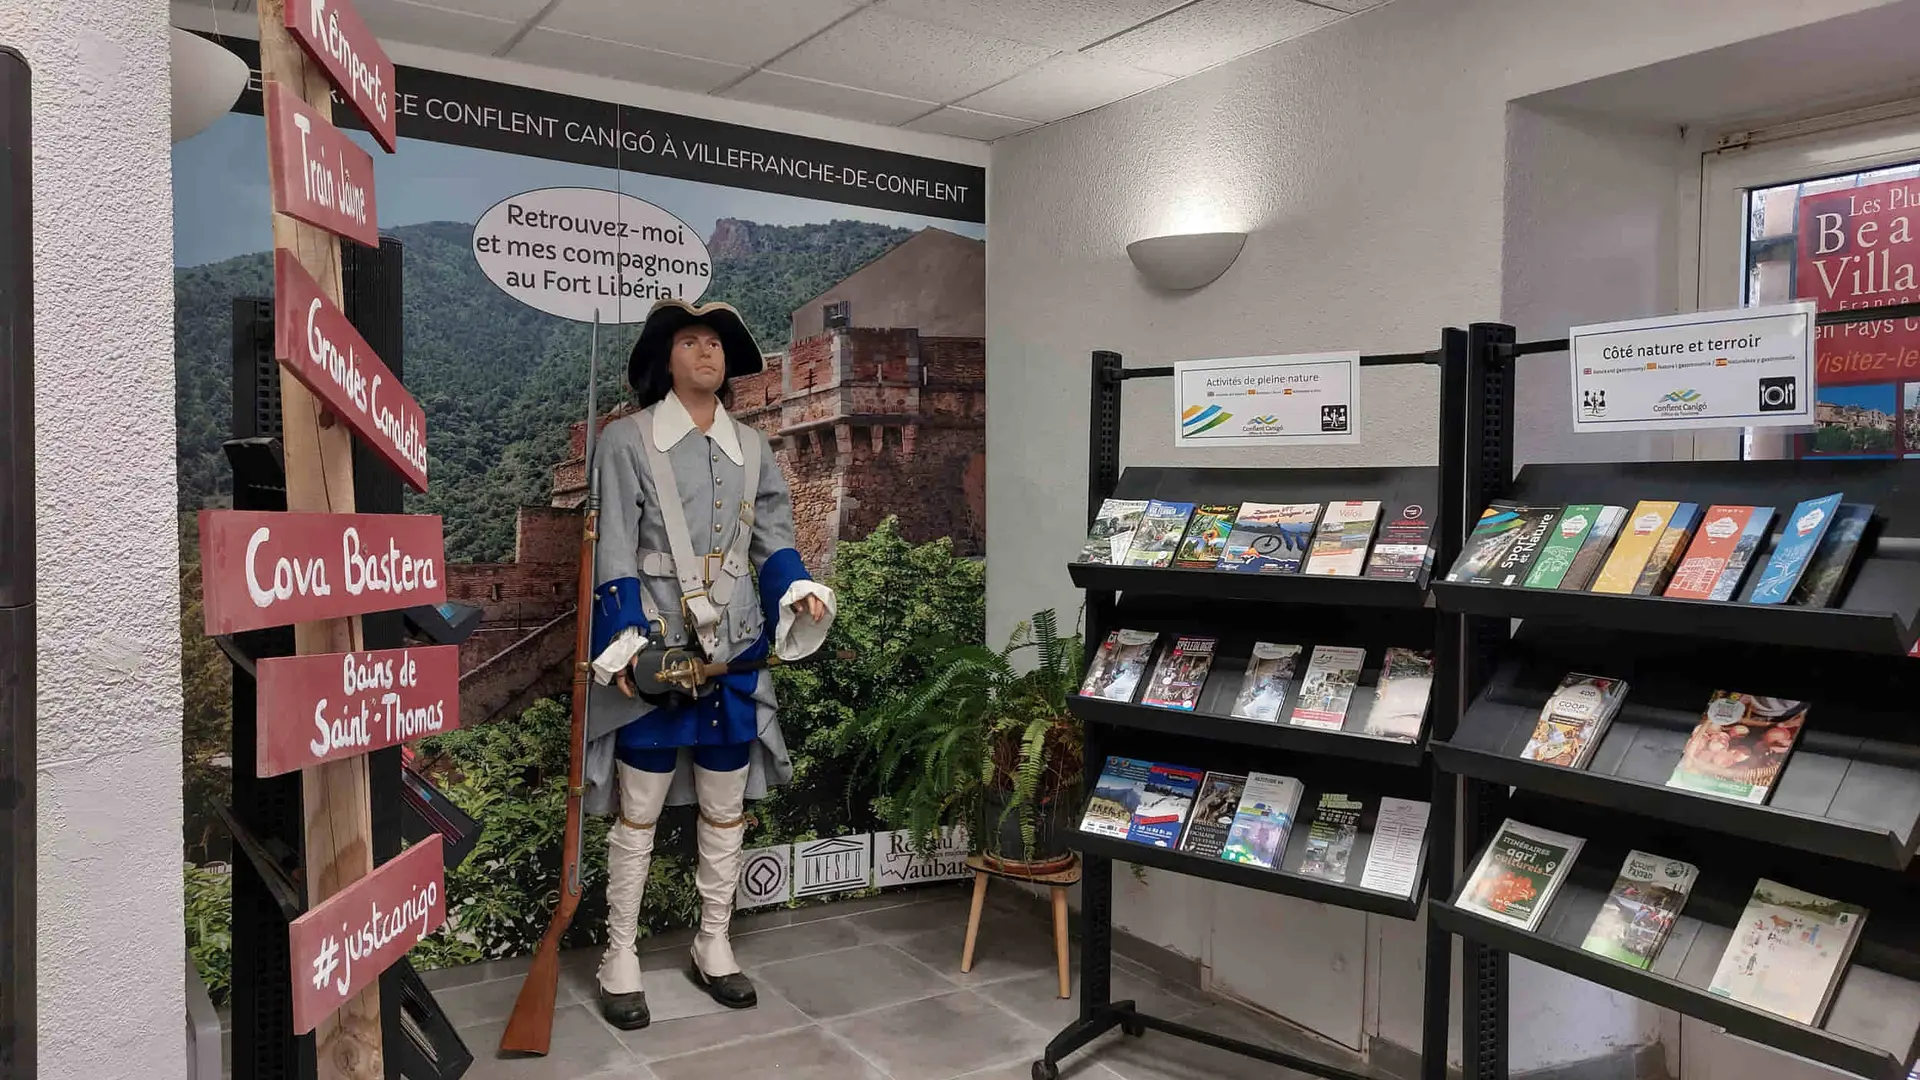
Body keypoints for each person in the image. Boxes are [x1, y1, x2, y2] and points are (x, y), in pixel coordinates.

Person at [580, 298, 834, 1031]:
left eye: (715, 343)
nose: (706, 353)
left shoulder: (755, 450)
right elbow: (615, 552)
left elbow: (776, 544)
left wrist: (800, 591)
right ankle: (619, 955)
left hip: (736, 653)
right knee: (642, 809)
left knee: (725, 808)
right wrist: (627, 648)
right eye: (690, 342)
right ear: (666, 359)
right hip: (657, 653)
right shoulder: (625, 441)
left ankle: (713, 942)